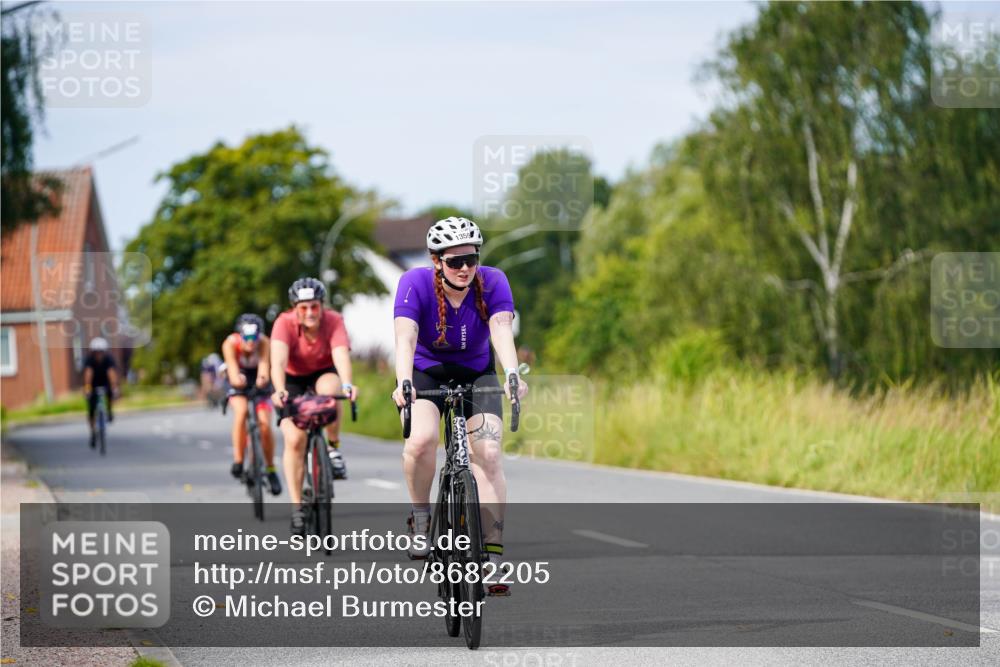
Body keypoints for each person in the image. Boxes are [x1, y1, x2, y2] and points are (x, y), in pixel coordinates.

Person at [391, 216, 527, 596]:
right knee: (421, 441)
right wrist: (403, 382)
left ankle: (493, 555)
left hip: (477, 374)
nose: (465, 268)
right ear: (437, 261)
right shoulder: (414, 283)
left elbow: (501, 328)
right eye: (455, 262)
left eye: (471, 259)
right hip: (426, 373)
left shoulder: (493, 281)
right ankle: (421, 518)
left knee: (489, 453)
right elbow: (405, 337)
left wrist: (512, 373)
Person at [270, 277, 358, 535]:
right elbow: (278, 362)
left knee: (332, 391)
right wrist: (279, 390)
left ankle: (333, 448)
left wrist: (348, 384)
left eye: (314, 306)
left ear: (322, 305)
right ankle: (297, 509)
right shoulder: (283, 323)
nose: (309, 312)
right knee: (295, 440)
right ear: (295, 308)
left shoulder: (334, 320)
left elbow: (340, 354)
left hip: (323, 372)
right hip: (292, 379)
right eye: (303, 307)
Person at [222, 313, 281, 495]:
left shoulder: (264, 343)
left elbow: (264, 368)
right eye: (246, 338)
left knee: (265, 425)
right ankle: (239, 460)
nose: (250, 342)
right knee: (241, 412)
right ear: (240, 335)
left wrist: (262, 380)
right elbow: (232, 370)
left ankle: (271, 469)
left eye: (254, 338)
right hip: (238, 377)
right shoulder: (230, 343)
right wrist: (237, 380)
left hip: (258, 379)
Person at [83, 337, 120, 448]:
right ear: (93, 352)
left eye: (101, 352)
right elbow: (88, 374)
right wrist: (87, 388)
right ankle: (93, 432)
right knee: (91, 409)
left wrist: (114, 387)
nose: (99, 354)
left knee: (111, 393)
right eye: (96, 352)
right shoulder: (89, 359)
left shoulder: (108, 359)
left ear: (104, 352)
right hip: (93, 384)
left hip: (105, 382)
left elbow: (111, 373)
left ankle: (109, 411)